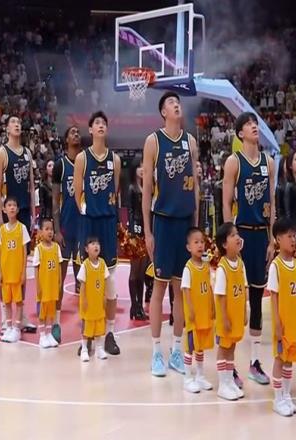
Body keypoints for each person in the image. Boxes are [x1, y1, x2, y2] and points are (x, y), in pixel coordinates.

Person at [142, 92, 200, 377]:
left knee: (181, 291)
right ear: (163, 112)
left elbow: (196, 185)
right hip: (163, 221)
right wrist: (147, 231)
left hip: (186, 222)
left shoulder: (191, 142)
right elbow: (147, 189)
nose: (177, 105)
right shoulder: (154, 141)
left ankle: (177, 350)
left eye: (178, 102)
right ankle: (156, 352)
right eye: (171, 103)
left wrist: (196, 226)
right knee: (160, 288)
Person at [222, 112, 276, 387]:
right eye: (248, 124)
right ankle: (229, 366)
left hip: (261, 236)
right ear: (240, 133)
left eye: (255, 123)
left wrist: (272, 239)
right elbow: (226, 202)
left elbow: (272, 203)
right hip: (241, 233)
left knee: (256, 299)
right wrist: (230, 238)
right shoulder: (234, 162)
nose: (254, 126)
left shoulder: (269, 163)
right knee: (235, 302)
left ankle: (254, 362)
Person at [73, 111, 121, 356]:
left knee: (109, 282)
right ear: (90, 129)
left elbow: (116, 190)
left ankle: (109, 333)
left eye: (104, 123)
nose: (101, 126)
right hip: (90, 222)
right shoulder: (82, 158)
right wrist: (87, 212)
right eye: (97, 123)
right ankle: (88, 336)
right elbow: (77, 193)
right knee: (88, 284)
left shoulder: (115, 159)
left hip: (108, 222)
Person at [0, 115, 36, 332]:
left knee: (21, 267)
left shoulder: (27, 152)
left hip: (25, 212)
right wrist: (0, 218)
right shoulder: (1, 153)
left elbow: (31, 185)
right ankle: (5, 317)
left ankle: (21, 314)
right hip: (8, 214)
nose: (18, 124)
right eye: (13, 122)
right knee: (5, 266)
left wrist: (34, 212)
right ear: (7, 128)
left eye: (19, 122)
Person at [267, 217, 296, 417]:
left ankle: (287, 395)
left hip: (295, 323)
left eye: (294, 236)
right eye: (288, 236)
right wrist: (277, 324)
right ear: (278, 239)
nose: (293, 240)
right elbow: (273, 296)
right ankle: (277, 398)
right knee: (280, 359)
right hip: (282, 323)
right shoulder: (276, 266)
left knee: (290, 360)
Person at [52, 125, 82, 343]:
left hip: (83, 229)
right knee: (59, 280)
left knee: (84, 280)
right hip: (65, 228)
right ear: (66, 140)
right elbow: (55, 200)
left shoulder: (86, 162)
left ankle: (88, 323)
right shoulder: (60, 165)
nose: (76, 134)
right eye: (72, 132)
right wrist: (56, 230)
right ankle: (55, 321)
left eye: (77, 132)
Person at [214, 222, 248, 401]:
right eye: (233, 235)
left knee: (232, 347)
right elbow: (220, 296)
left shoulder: (240, 264)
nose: (237, 237)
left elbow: (244, 289)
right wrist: (224, 318)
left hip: (236, 315)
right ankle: (223, 384)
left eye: (237, 234)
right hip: (226, 317)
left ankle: (229, 380)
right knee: (224, 348)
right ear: (224, 244)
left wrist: (245, 311)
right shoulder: (222, 267)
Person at [181, 227, 214, 394]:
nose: (200, 245)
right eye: (196, 242)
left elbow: (209, 287)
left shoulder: (206, 266)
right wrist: (190, 310)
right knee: (190, 347)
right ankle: (187, 378)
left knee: (201, 347)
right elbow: (186, 290)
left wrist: (212, 306)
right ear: (189, 247)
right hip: (193, 316)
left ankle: (200, 376)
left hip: (204, 314)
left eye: (202, 242)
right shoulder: (188, 268)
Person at [0, 197, 31, 343]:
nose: (11, 207)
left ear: (17, 209)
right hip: (6, 272)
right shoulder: (2, 230)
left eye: (14, 205)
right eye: (9, 205)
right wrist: (0, 272)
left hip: (17, 273)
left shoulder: (22, 228)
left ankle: (17, 328)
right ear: (4, 209)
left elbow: (24, 252)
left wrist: (24, 272)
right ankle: (9, 327)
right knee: (7, 302)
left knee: (19, 302)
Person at [78, 236, 110, 362]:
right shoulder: (85, 265)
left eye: (97, 244)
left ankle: (99, 349)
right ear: (86, 249)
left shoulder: (102, 263)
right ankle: (84, 349)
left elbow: (105, 281)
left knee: (99, 326)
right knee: (87, 327)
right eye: (92, 244)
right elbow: (82, 285)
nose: (96, 246)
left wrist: (105, 295)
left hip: (99, 302)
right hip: (88, 303)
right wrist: (84, 299)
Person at [33, 218, 62, 348]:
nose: (50, 232)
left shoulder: (56, 247)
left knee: (51, 311)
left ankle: (49, 333)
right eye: (47, 229)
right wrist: (38, 286)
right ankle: (42, 335)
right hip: (43, 286)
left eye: (51, 229)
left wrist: (59, 281)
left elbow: (59, 265)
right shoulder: (39, 249)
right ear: (40, 232)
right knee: (42, 312)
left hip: (53, 286)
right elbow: (36, 268)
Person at [127, 158, 149, 320]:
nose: (142, 169)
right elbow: (130, 211)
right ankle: (134, 306)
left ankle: (139, 306)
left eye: (143, 166)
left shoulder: (148, 188)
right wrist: (133, 232)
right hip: (135, 232)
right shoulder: (132, 188)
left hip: (145, 231)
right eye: (139, 166)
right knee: (134, 271)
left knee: (142, 272)